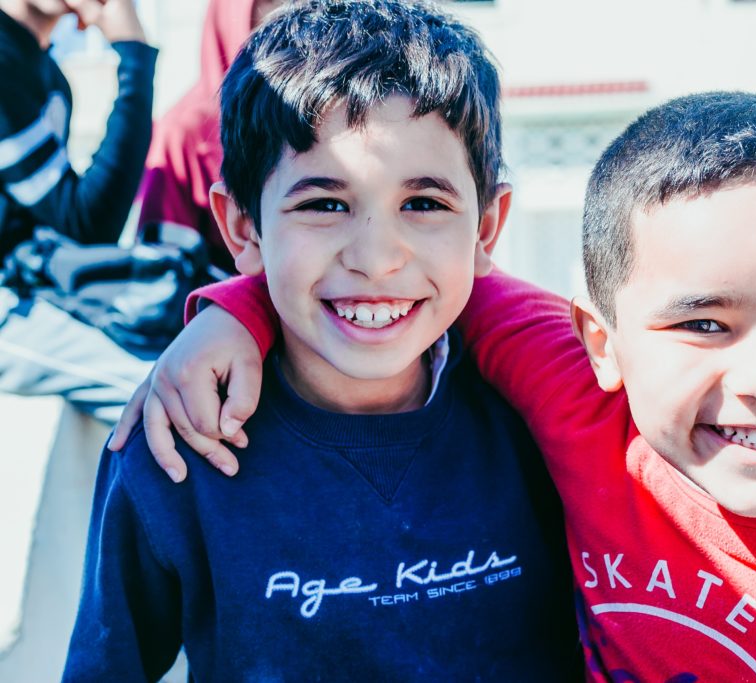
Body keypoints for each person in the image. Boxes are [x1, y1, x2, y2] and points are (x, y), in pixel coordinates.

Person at [119, 92, 756, 679]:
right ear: (604, 341)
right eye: (705, 324)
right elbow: (418, 281)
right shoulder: (584, 409)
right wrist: (236, 308)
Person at [62, 1, 581, 680]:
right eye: (324, 204)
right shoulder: (177, 444)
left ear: (487, 228)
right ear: (242, 229)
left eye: (424, 204)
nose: (376, 258)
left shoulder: (544, 425)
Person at [0, 0, 157, 423]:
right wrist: (134, 54)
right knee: (168, 394)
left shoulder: (45, 71)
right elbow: (85, 223)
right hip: (11, 304)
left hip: (34, 286)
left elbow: (85, 225)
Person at [134, 0, 285, 274]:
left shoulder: (333, 118)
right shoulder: (181, 131)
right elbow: (160, 275)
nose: (290, 13)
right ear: (231, 15)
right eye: (273, 2)